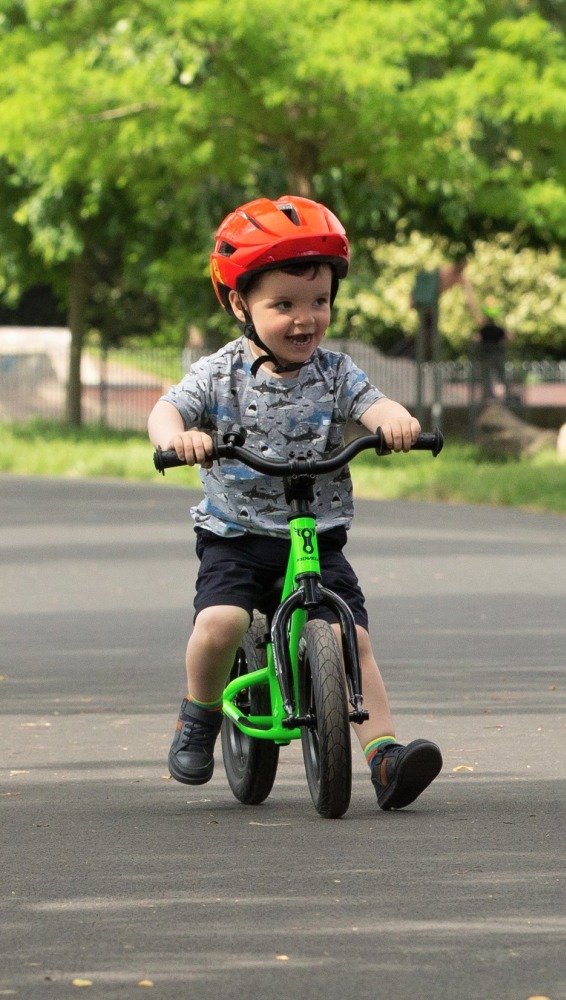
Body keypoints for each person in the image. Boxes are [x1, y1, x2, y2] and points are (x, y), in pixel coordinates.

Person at [148, 194, 443, 810]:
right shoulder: (219, 372)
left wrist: (396, 422)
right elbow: (167, 409)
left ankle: (383, 756)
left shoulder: (335, 373)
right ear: (239, 303)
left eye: (319, 302)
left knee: (349, 638)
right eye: (283, 304)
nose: (306, 319)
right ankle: (199, 715)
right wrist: (177, 437)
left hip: (316, 535)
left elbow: (373, 403)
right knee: (221, 623)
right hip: (237, 534)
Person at [471, 299, 512, 402]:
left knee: (487, 376)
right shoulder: (498, 329)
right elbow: (507, 337)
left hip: (487, 356)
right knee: (501, 375)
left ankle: (489, 395)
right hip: (497, 355)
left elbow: (476, 339)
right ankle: (507, 394)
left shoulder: (484, 330)